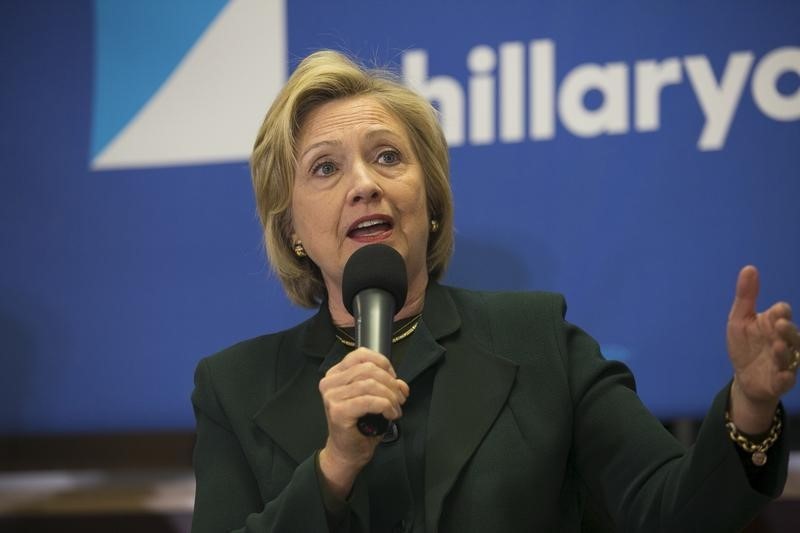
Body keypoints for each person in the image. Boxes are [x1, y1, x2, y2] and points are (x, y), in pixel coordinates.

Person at [190, 50, 799, 532]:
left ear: (429, 203)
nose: (364, 184)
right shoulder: (234, 388)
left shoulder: (538, 342)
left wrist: (749, 406)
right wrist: (334, 467)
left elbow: (671, 509)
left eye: (387, 157)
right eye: (325, 167)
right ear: (291, 228)